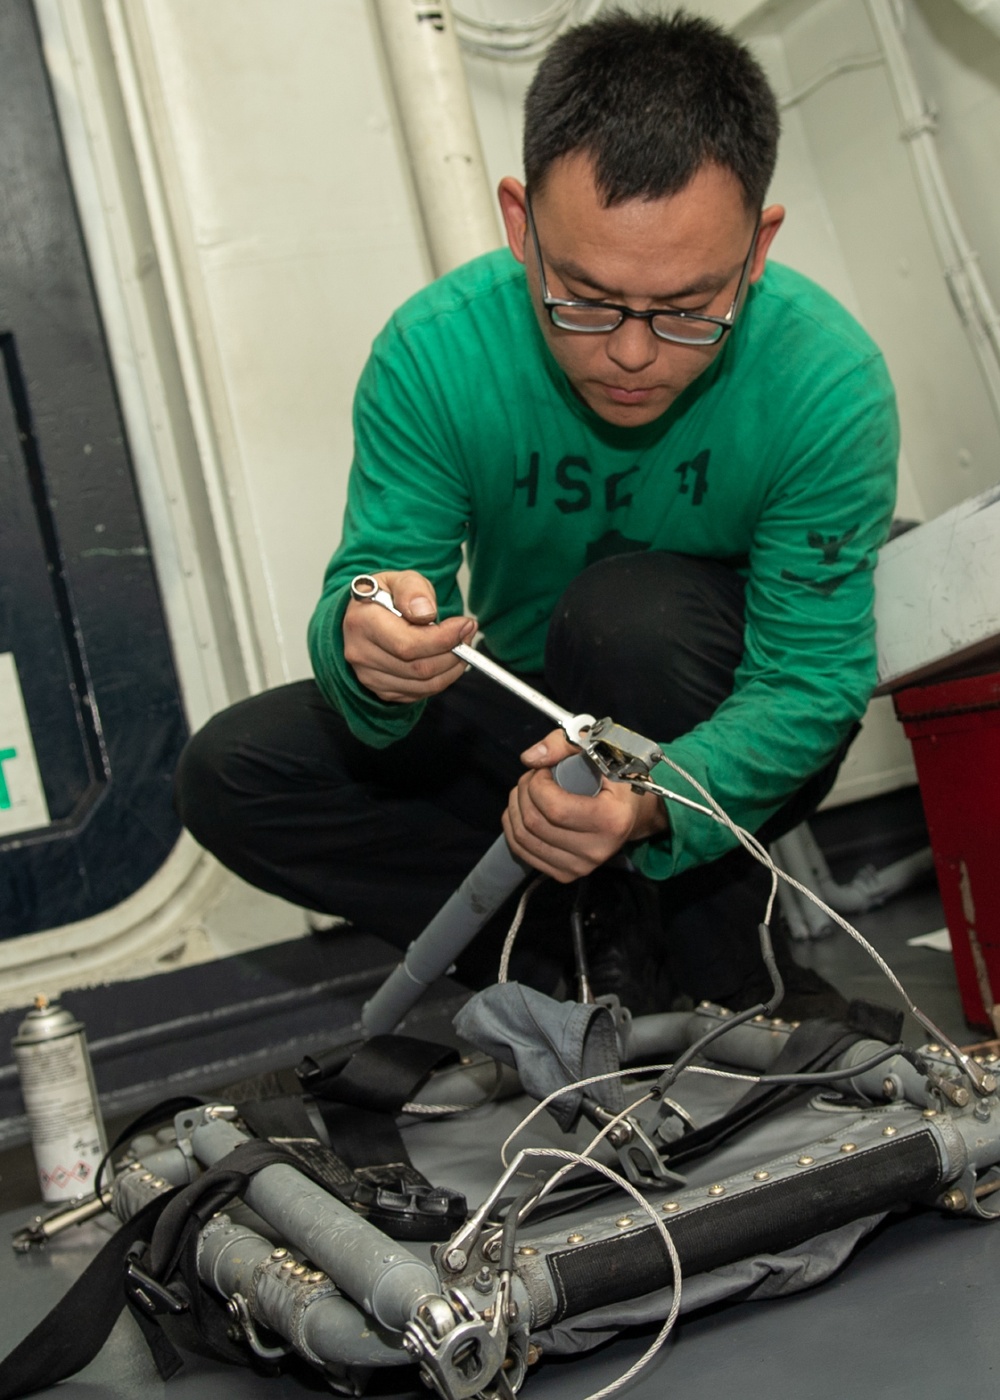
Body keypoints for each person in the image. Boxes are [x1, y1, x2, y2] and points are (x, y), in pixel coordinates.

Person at [175, 9, 898, 1017]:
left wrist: (648, 799)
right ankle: (561, 954)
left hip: (705, 707)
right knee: (230, 771)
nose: (634, 351)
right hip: (525, 715)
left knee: (624, 620)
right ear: (520, 226)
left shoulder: (826, 380)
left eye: (689, 306)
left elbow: (812, 681)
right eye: (587, 299)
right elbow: (377, 581)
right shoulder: (434, 353)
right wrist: (373, 641)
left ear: (758, 246)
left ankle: (727, 975)